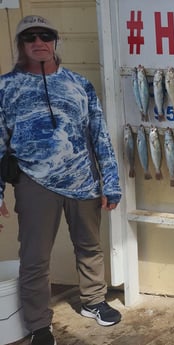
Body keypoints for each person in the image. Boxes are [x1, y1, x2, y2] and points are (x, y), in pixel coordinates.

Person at [0, 15, 123, 345]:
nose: (38, 42)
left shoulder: (79, 84)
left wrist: (110, 181)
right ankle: (39, 324)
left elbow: (99, 135)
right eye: (30, 38)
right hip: (34, 183)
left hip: (83, 180)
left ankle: (94, 301)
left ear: (56, 42)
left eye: (46, 36)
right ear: (21, 45)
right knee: (35, 258)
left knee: (89, 246)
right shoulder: (5, 87)